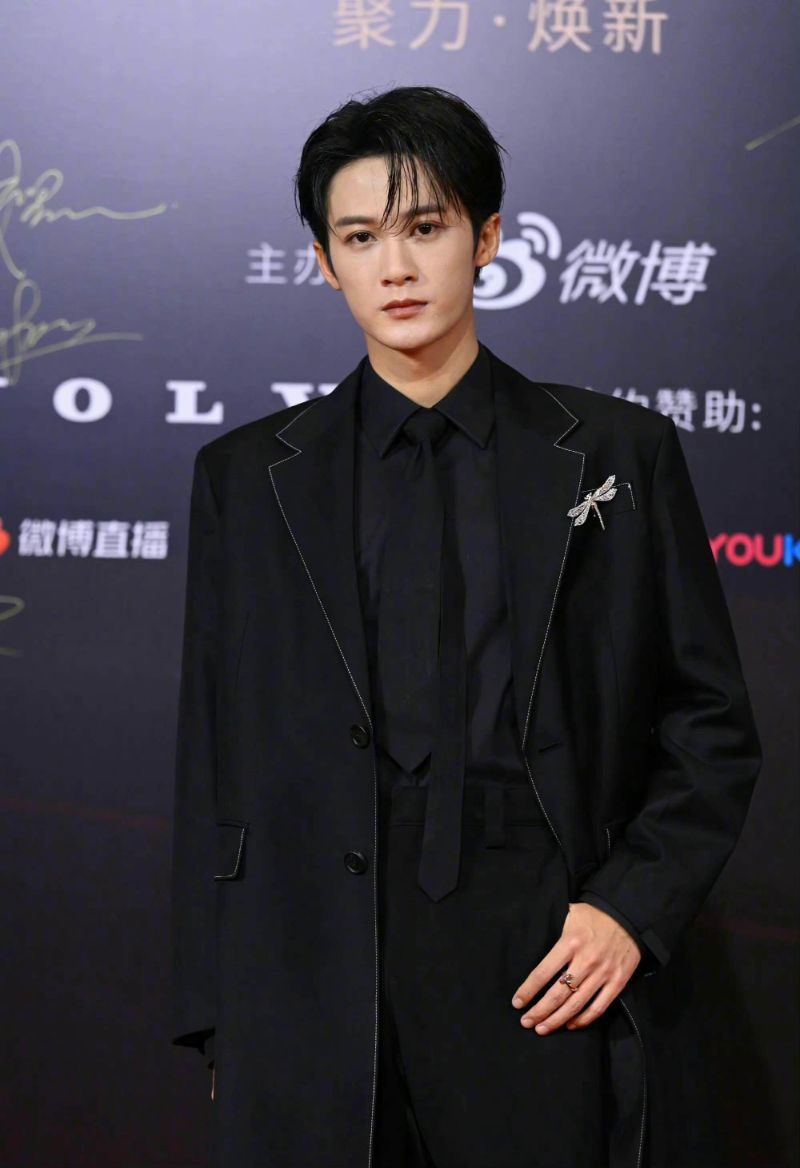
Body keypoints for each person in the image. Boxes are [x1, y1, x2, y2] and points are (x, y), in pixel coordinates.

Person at [170, 85, 761, 1168]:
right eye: (360, 237)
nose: (394, 267)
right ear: (323, 261)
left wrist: (628, 909)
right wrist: (217, 1012)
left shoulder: (615, 455)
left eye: (424, 227)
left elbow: (709, 723)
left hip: (543, 958)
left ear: (487, 238)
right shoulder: (247, 478)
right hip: (311, 972)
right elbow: (212, 753)